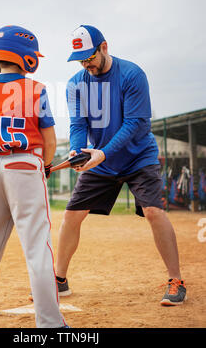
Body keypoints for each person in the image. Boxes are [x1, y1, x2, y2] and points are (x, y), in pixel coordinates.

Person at [54, 24, 186, 306]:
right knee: (71, 216)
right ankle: (59, 280)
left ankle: (175, 280)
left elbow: (135, 124)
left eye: (90, 57)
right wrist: (80, 152)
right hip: (100, 161)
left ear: (104, 47)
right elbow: (78, 125)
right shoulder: (76, 84)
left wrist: (102, 153)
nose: (86, 64)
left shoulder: (132, 75)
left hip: (138, 157)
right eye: (81, 60)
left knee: (153, 211)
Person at [0, 25, 68, 328]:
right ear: (26, 56)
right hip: (25, 166)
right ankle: (50, 324)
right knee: (37, 249)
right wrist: (45, 166)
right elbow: (49, 141)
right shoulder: (37, 89)